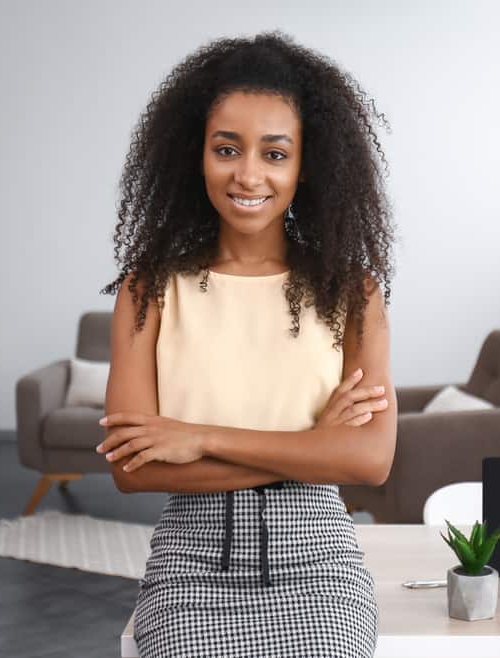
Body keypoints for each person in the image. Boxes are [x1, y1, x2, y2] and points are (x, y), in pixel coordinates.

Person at [95, 30, 397, 658]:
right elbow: (131, 469)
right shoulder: (147, 290)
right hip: (189, 568)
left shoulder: (352, 291)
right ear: (196, 155)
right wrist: (317, 447)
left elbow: (370, 462)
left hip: (320, 568)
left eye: (275, 153)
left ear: (305, 164)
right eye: (227, 149)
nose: (249, 174)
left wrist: (200, 437)